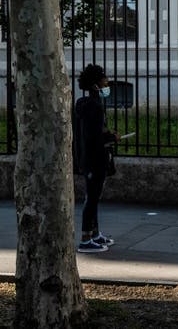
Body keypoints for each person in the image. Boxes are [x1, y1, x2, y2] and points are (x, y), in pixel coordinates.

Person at [74, 64, 118, 254]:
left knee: (94, 197)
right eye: (104, 78)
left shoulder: (86, 104)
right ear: (95, 84)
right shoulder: (94, 107)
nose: (107, 81)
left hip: (89, 158)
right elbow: (93, 136)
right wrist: (111, 137)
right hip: (95, 158)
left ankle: (94, 233)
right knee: (92, 198)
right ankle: (85, 238)